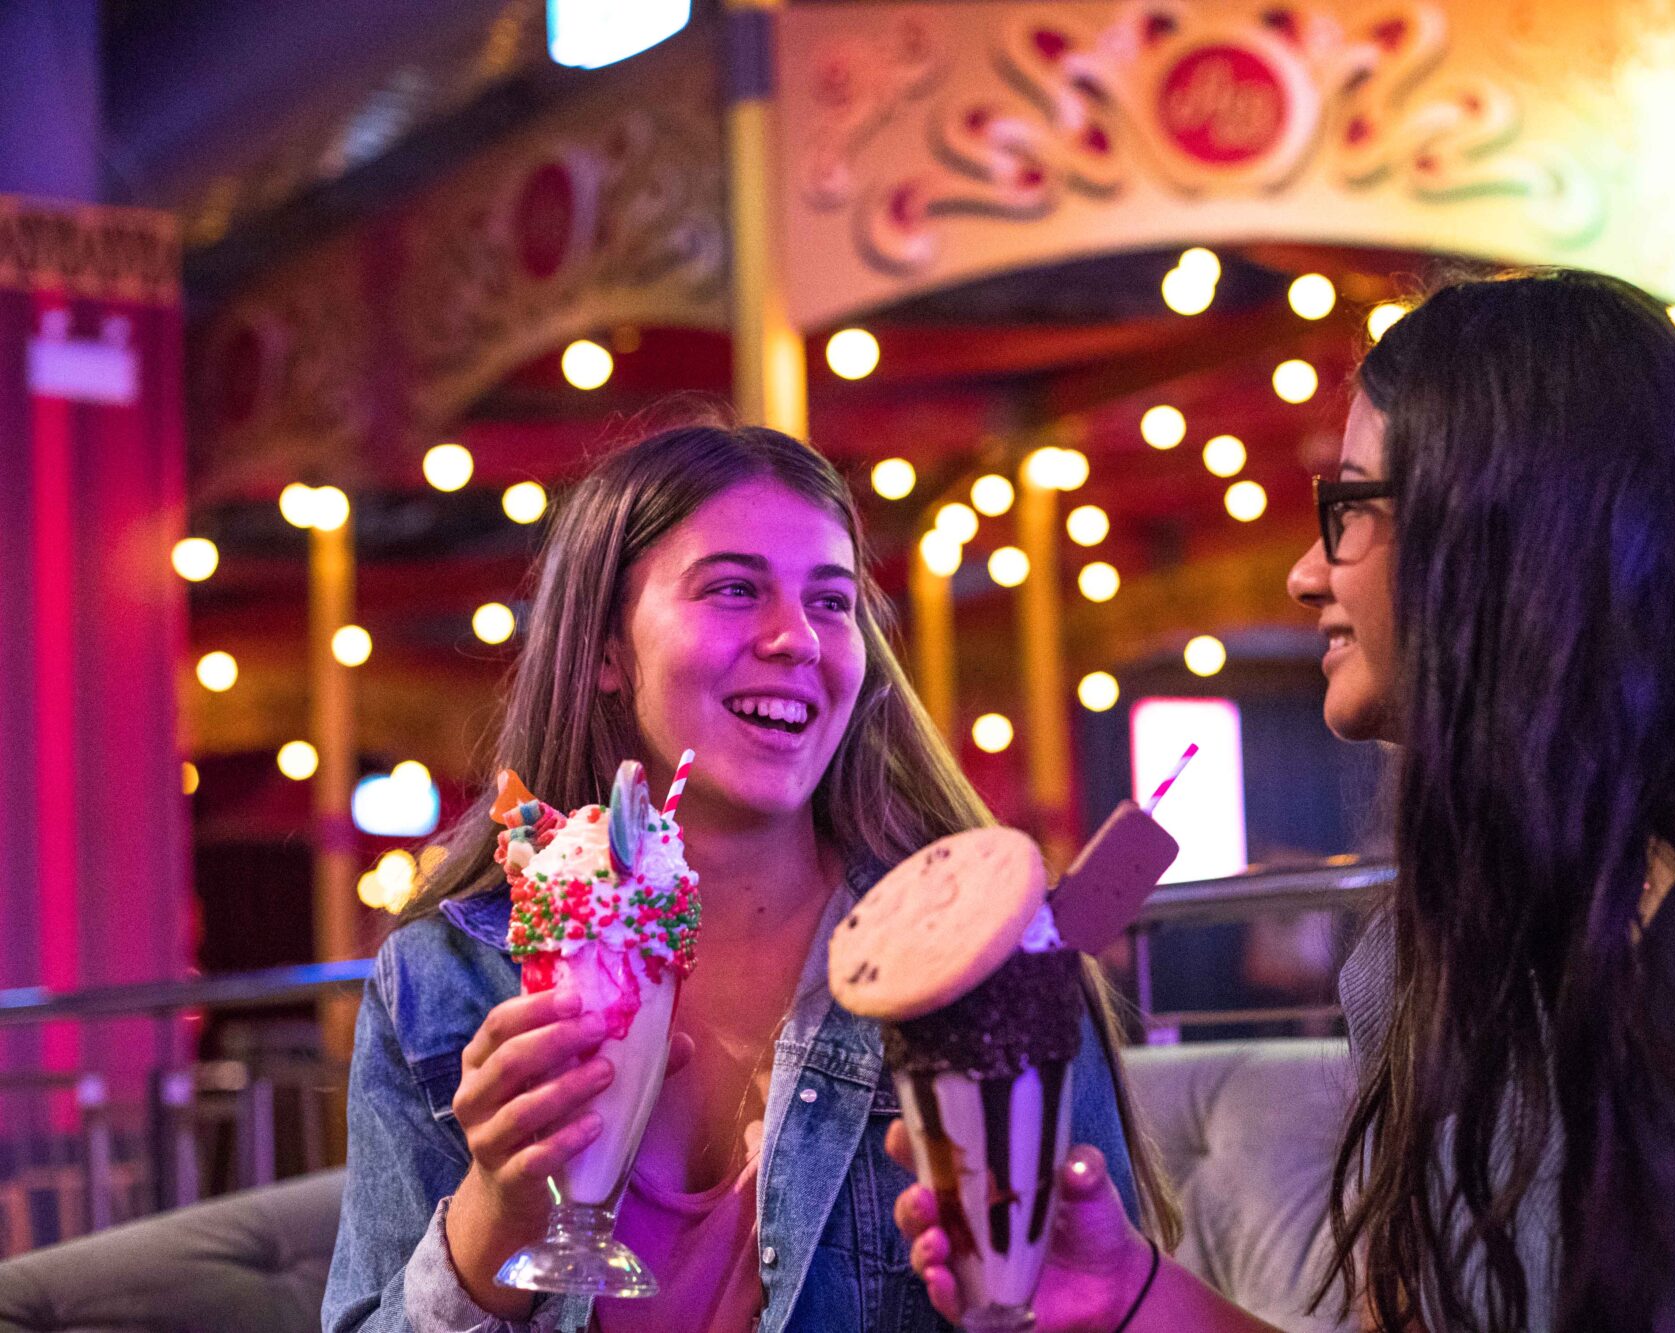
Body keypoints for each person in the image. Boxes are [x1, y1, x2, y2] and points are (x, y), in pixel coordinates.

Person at [893, 270, 1675, 1333]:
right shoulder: (1427, 953)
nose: (1304, 573)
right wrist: (1122, 1291)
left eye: (1350, 507)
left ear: (1513, 535)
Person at [323, 413, 1179, 1333]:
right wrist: (499, 1213)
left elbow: (1101, 1297)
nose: (798, 640)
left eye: (832, 601)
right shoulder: (445, 977)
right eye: (734, 589)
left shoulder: (978, 958)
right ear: (607, 651)